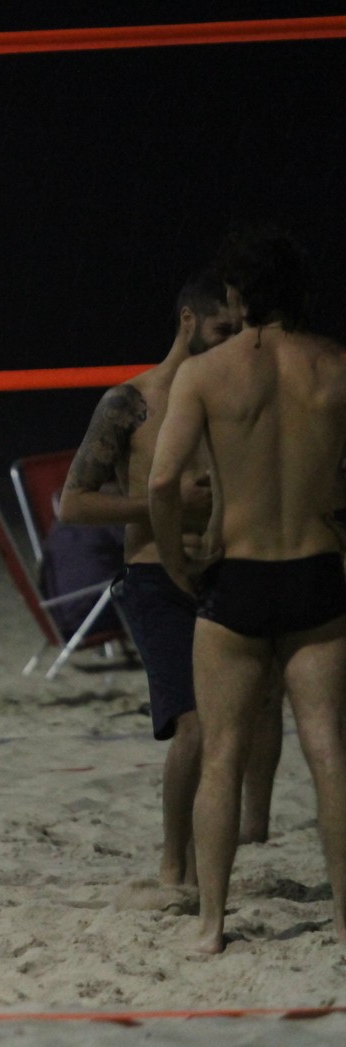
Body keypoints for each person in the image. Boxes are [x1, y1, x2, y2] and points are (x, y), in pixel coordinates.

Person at [148, 225, 346, 953]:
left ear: (236, 294)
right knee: (329, 750)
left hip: (238, 575)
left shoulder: (206, 374)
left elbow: (163, 480)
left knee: (223, 755)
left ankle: (210, 925)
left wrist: (175, 563)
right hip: (318, 572)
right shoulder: (335, 366)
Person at [59, 271, 282, 887]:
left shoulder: (241, 396)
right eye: (222, 329)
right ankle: (172, 862)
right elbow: (72, 505)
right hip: (157, 575)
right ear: (188, 322)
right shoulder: (131, 401)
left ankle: (252, 833)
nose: (234, 340)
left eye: (241, 330)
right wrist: (165, 505)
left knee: (262, 705)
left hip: (230, 567)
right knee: (195, 724)